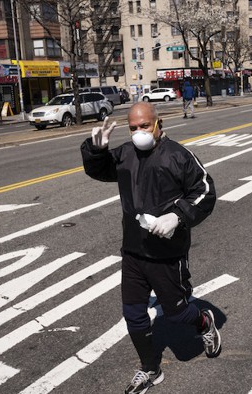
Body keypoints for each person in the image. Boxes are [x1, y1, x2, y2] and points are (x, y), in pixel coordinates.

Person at [80, 102, 220, 394]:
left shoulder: (178, 156)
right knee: (133, 313)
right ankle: (150, 368)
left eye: (144, 126)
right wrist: (96, 150)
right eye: (133, 128)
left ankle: (204, 322)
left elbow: (205, 191)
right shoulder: (126, 154)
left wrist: (177, 216)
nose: (139, 132)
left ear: (158, 124)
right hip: (133, 251)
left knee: (177, 313)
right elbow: (102, 170)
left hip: (166, 253)